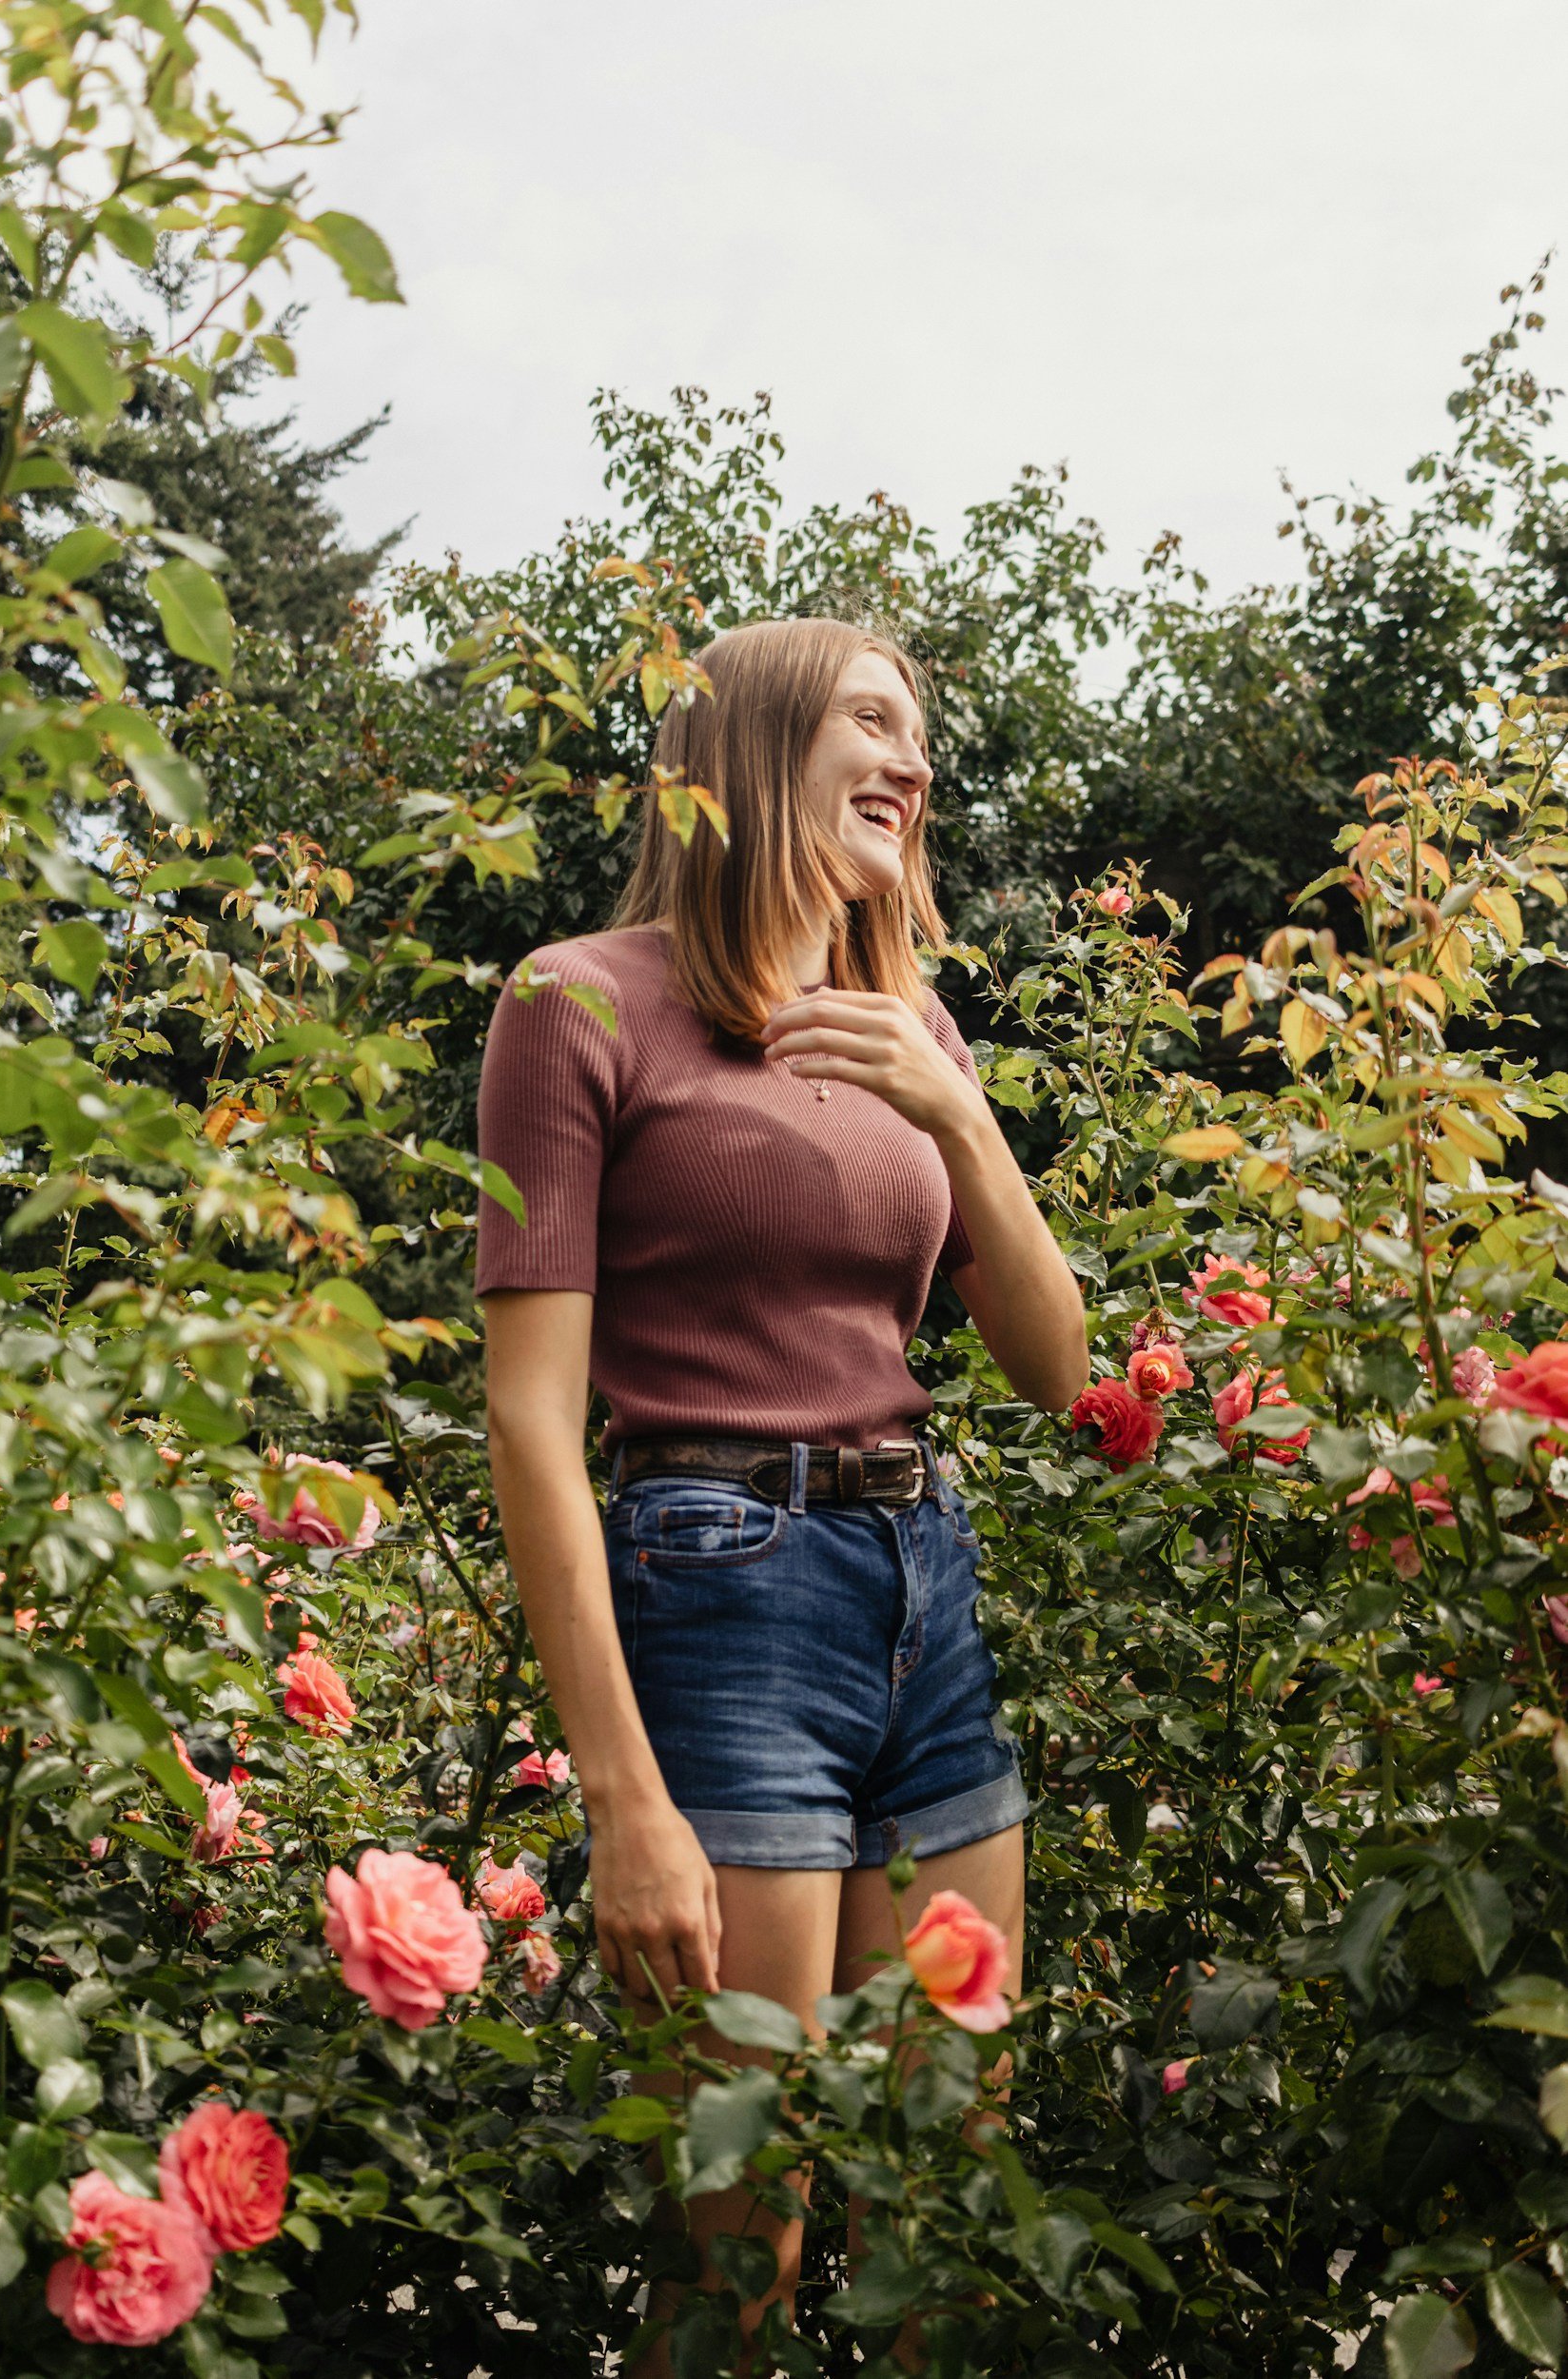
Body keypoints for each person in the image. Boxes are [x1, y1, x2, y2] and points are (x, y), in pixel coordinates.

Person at [478, 616, 1088, 2357]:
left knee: (942, 2223)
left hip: (925, 1593)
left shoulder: (914, 1027)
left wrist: (959, 1114)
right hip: (721, 1593)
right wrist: (625, 1802)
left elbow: (1058, 1370)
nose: (915, 760)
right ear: (752, 745)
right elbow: (530, 1421)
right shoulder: (577, 1001)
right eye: (872, 720)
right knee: (742, 2247)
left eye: (920, 730)